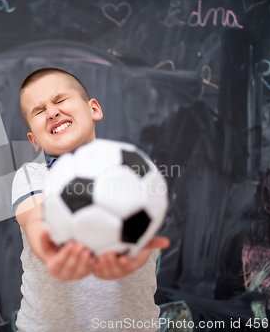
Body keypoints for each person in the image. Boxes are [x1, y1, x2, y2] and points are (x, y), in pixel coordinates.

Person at [11, 68, 170, 331]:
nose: (52, 112)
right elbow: (36, 222)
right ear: (33, 140)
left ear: (94, 109)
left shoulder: (134, 168)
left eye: (60, 100)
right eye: (38, 111)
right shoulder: (33, 176)